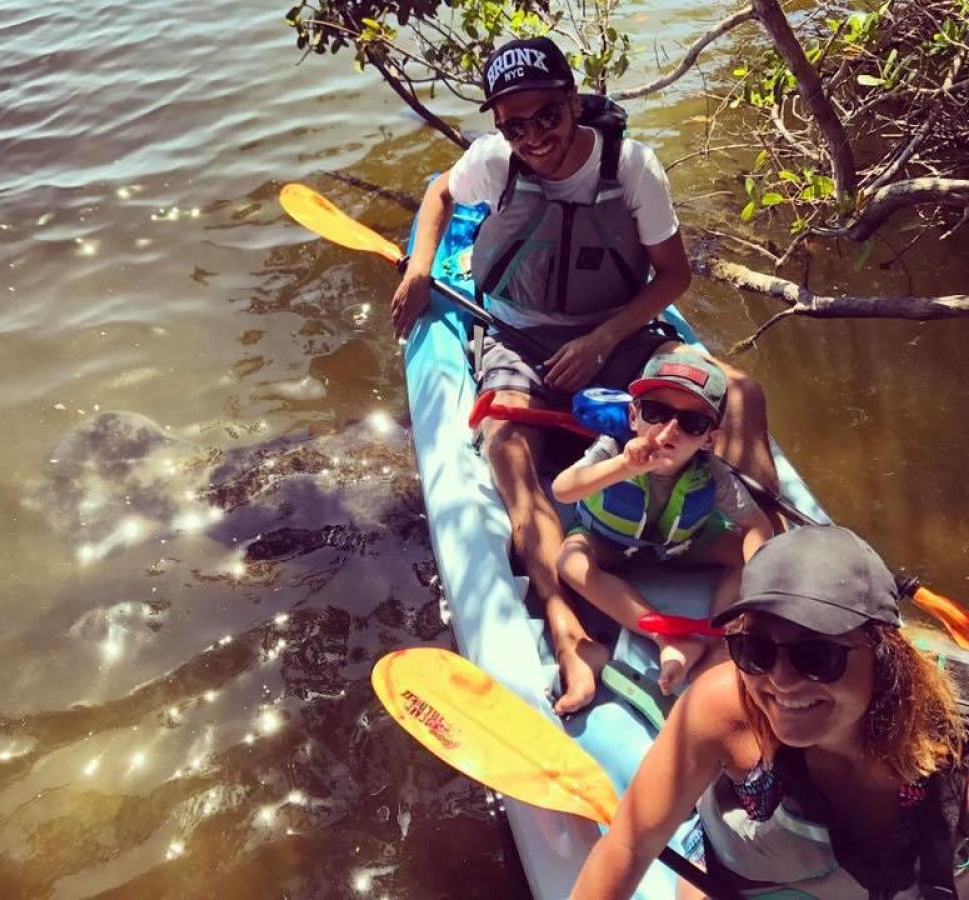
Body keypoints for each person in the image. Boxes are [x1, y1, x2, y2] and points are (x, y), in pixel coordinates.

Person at [391, 35, 780, 713]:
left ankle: (771, 563)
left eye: (547, 115)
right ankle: (564, 621)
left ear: (573, 102)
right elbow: (439, 199)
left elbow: (675, 275)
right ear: (498, 125)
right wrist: (422, 263)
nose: (533, 135)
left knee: (741, 390)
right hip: (518, 329)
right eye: (514, 123)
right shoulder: (493, 161)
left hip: (617, 332)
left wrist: (603, 340)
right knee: (508, 443)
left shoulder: (630, 167)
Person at [571, 525, 969, 899]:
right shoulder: (723, 708)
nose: (780, 681)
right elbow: (628, 845)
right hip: (749, 876)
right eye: (754, 650)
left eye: (816, 655)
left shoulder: (953, 732)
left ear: (885, 654)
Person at [552, 350, 774, 697]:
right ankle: (669, 637)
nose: (670, 430)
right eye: (656, 412)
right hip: (608, 541)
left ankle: (722, 637)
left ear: (710, 438)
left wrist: (758, 579)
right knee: (570, 560)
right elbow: (563, 490)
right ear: (633, 416)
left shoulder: (712, 474)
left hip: (683, 544)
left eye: (692, 423)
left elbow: (756, 526)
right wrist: (625, 468)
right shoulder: (613, 450)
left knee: (756, 556)